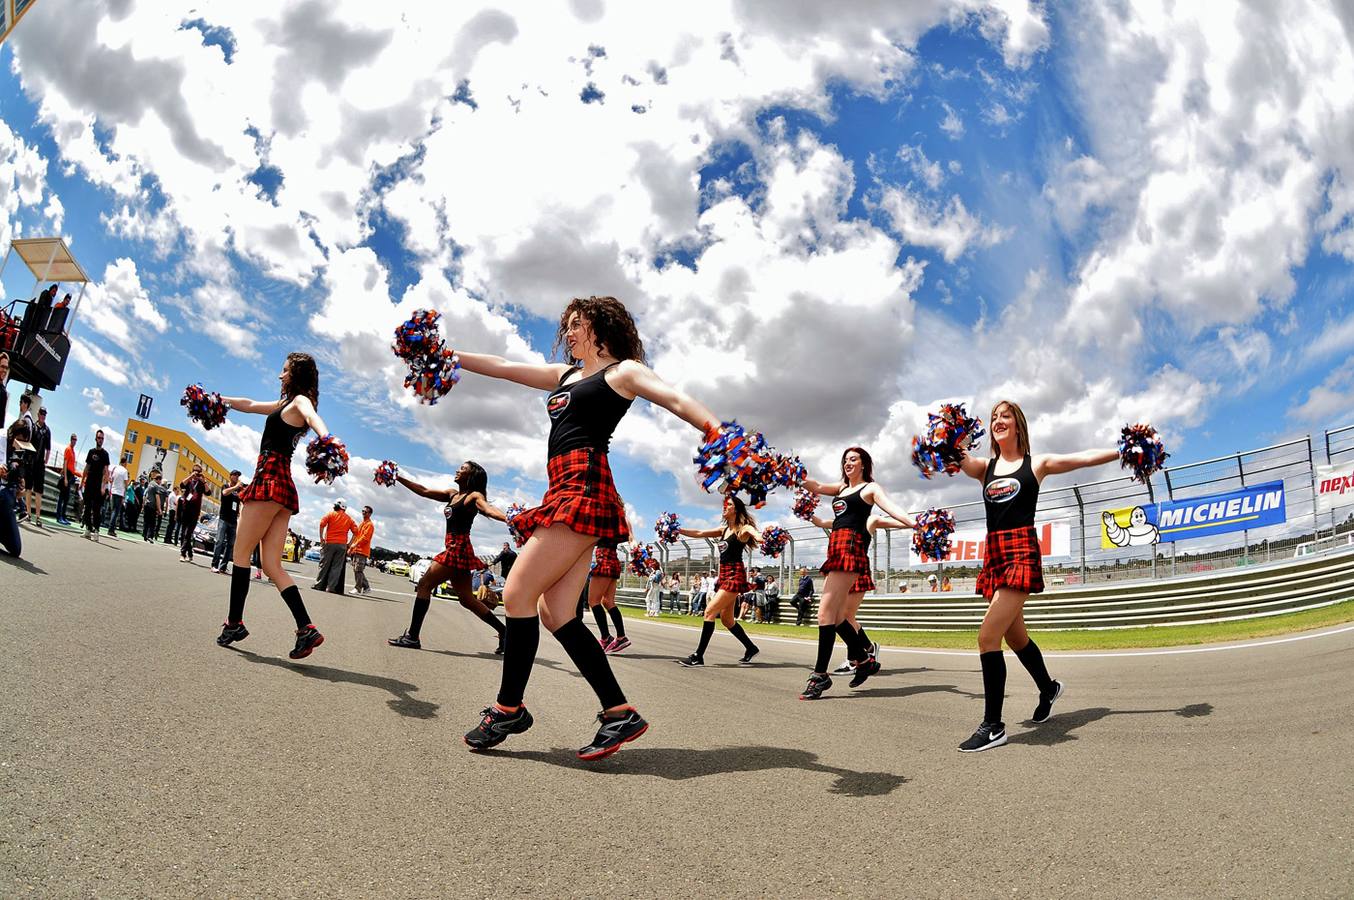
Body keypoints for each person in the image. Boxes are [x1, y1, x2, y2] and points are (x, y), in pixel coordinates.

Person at [460, 294, 732, 760]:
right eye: (566, 326)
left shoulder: (622, 372)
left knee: (516, 594)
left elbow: (676, 398)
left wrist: (718, 433)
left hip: (584, 488)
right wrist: (449, 355)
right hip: (560, 487)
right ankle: (618, 711)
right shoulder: (563, 375)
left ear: (600, 326)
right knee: (556, 612)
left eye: (576, 324)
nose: (568, 333)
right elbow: (504, 365)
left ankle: (509, 708)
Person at [954, 399, 1120, 752]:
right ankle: (1048, 688)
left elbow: (1084, 457)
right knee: (1015, 638)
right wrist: (943, 435)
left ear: (1018, 425)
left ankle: (993, 726)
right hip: (995, 555)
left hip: (1020, 553)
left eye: (1006, 416)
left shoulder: (1037, 464)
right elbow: (955, 454)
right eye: (994, 417)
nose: (999, 421)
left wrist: (1124, 450)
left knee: (987, 637)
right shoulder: (984, 467)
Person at [215, 352, 333, 659]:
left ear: (296, 375)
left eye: (284, 371)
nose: (280, 375)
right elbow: (250, 405)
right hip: (282, 489)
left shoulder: (299, 402)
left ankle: (234, 623)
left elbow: (313, 416)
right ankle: (306, 628)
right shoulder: (284, 404)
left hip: (269, 480)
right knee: (271, 565)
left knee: (240, 553)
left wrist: (327, 441)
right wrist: (217, 399)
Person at [798, 447, 917, 700]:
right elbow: (816, 485)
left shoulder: (869, 489)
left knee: (825, 614)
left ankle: (820, 676)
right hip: (836, 548)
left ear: (864, 464)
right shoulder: (841, 488)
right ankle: (864, 660)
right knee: (839, 616)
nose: (848, 463)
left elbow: (892, 508)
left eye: (853, 459)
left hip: (851, 551)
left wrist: (916, 523)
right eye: (845, 459)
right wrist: (789, 473)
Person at [385, 462, 510, 652]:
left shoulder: (474, 496)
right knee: (467, 599)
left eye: (463, 468)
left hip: (457, 549)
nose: (458, 470)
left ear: (471, 475)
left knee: (425, 584)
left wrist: (510, 518)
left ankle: (412, 637)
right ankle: (505, 632)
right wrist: (398, 477)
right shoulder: (452, 494)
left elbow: (488, 509)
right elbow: (424, 490)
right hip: (456, 549)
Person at [677, 495, 763, 667]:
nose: (725, 507)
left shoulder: (743, 529)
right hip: (723, 575)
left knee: (709, 611)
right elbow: (700, 533)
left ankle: (698, 656)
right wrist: (677, 530)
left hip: (734, 574)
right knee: (727, 620)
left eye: (729, 504)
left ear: (736, 509)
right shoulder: (723, 530)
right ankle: (751, 648)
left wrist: (763, 538)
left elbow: (756, 534)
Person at [586, 533, 631, 653]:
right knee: (607, 601)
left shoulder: (605, 521)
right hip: (613, 561)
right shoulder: (617, 524)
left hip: (604, 559)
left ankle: (605, 637)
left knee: (593, 601)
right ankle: (621, 637)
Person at [312, 500, 356, 592]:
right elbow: (356, 532)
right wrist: (349, 544)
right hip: (342, 545)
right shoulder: (349, 519)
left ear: (337, 506)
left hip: (330, 543)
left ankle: (318, 584)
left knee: (324, 564)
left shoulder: (331, 514)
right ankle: (330, 587)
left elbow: (321, 524)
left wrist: (321, 538)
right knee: (336, 567)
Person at [80, 430, 111, 543]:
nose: (100, 440)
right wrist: (82, 481)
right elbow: (87, 467)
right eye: (99, 438)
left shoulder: (105, 454)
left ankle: (96, 531)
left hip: (98, 485)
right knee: (87, 507)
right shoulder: (91, 452)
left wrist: (104, 486)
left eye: (102, 438)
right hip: (89, 483)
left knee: (96, 509)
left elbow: (106, 472)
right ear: (95, 438)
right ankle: (88, 529)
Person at [211, 470, 244, 573]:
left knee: (230, 545)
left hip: (233, 520)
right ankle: (214, 565)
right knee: (219, 542)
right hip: (224, 518)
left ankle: (223, 566)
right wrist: (235, 487)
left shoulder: (238, 490)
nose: (236, 477)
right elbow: (225, 493)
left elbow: (242, 502)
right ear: (230, 476)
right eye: (235, 475)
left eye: (238, 476)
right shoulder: (225, 486)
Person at [177, 463, 210, 561]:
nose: (197, 473)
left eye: (199, 472)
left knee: (188, 533)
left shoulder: (200, 483)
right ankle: (190, 553)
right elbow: (182, 484)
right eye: (195, 470)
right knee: (184, 533)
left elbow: (208, 493)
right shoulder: (189, 481)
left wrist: (204, 482)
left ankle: (182, 554)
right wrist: (191, 476)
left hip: (195, 511)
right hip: (185, 509)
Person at [25, 405, 50, 527]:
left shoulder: (47, 430)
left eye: (45, 414)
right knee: (28, 488)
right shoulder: (33, 427)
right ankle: (28, 513)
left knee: (39, 491)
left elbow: (48, 448)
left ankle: (38, 517)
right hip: (31, 462)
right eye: (41, 413)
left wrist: (46, 460)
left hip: (40, 464)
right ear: (38, 414)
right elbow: (28, 442)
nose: (43, 416)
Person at [348, 504, 375, 594]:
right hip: (356, 550)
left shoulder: (369, 525)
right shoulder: (362, 524)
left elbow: (365, 538)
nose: (363, 513)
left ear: (370, 514)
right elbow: (357, 536)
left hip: (362, 551)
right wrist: (351, 548)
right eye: (362, 511)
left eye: (366, 512)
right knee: (356, 569)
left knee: (358, 570)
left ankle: (358, 588)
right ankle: (366, 587)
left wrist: (354, 544)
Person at [56, 433, 78, 526]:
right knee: (62, 497)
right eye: (73, 439)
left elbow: (72, 466)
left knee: (66, 498)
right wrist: (65, 478)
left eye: (76, 440)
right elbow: (65, 464)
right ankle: (59, 516)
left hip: (71, 475)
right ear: (70, 439)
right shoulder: (68, 449)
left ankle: (63, 516)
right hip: (67, 475)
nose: (74, 441)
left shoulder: (73, 451)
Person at [143, 471, 167, 543]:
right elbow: (157, 498)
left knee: (146, 521)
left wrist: (143, 503)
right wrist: (159, 509)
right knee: (152, 522)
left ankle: (144, 535)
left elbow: (145, 495)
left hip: (147, 504)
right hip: (152, 506)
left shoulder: (150, 484)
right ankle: (150, 536)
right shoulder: (156, 486)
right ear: (159, 480)